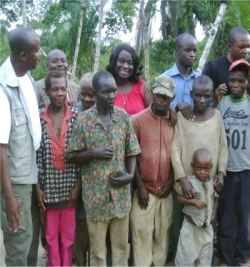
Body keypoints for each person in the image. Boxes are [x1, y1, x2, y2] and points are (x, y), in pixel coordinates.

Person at [66, 70, 141, 266]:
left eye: (113, 91)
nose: (111, 96)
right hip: (95, 198)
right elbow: (71, 156)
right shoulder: (84, 120)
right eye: (106, 92)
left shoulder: (123, 117)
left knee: (120, 248)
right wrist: (93, 153)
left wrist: (130, 176)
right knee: (98, 251)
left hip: (120, 196)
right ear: (96, 92)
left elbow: (132, 150)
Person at [170, 75, 228, 262]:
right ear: (191, 95)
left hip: (209, 188)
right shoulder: (182, 117)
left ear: (212, 96)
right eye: (198, 96)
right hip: (185, 188)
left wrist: (221, 172)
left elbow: (222, 147)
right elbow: (175, 150)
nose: (202, 100)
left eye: (206, 96)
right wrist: (182, 179)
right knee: (183, 230)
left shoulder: (216, 116)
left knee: (207, 228)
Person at [0, 27, 41, 266]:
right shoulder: (3, 89)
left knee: (28, 239)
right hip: (14, 181)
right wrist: (9, 197)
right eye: (37, 51)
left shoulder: (27, 79)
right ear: (24, 55)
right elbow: (1, 149)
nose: (40, 54)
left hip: (29, 176)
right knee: (18, 243)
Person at [35, 70, 81, 266]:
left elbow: (82, 154)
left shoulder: (77, 117)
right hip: (48, 192)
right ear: (47, 91)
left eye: (63, 88)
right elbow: (35, 156)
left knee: (68, 239)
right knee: (51, 239)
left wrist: (77, 186)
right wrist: (37, 187)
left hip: (70, 190)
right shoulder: (38, 118)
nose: (60, 93)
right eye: (55, 89)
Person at [130, 75, 175, 266]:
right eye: (159, 96)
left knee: (163, 233)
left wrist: (171, 181)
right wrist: (139, 185)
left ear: (172, 99)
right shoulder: (138, 120)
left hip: (166, 189)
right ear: (153, 94)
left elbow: (179, 154)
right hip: (144, 190)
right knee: (140, 232)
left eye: (166, 97)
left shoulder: (175, 120)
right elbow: (131, 155)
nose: (162, 100)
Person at [217, 59, 250, 266]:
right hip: (226, 170)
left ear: (247, 82)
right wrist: (215, 99)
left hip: (246, 170)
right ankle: (226, 257)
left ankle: (241, 256)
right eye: (232, 81)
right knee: (226, 217)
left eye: (241, 81)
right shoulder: (222, 103)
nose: (236, 85)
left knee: (244, 217)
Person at [175, 148, 218, 266]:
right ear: (192, 166)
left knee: (204, 259)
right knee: (185, 259)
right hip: (190, 228)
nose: (202, 172)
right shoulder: (189, 182)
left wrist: (213, 215)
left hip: (206, 228)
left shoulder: (211, 183)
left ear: (211, 167)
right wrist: (194, 201)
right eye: (198, 168)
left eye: (206, 169)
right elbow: (179, 198)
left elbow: (216, 199)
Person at [74, 72, 95, 266]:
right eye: (84, 94)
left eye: (92, 94)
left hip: (97, 181)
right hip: (78, 179)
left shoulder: (103, 113)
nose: (88, 99)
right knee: (80, 227)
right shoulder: (75, 113)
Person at [161, 32, 200, 121]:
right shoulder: (164, 79)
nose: (192, 55)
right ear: (177, 51)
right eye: (188, 50)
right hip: (172, 131)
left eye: (194, 51)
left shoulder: (199, 80)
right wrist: (175, 107)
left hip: (195, 131)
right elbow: (158, 107)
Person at [203, 26, 250, 97]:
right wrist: (215, 96)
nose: (246, 51)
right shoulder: (213, 67)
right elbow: (201, 95)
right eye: (241, 47)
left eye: (248, 47)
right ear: (230, 47)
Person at [106, 43, 152, 116]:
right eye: (121, 61)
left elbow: (153, 112)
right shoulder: (105, 85)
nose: (125, 66)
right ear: (114, 62)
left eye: (130, 63)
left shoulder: (140, 85)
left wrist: (170, 107)